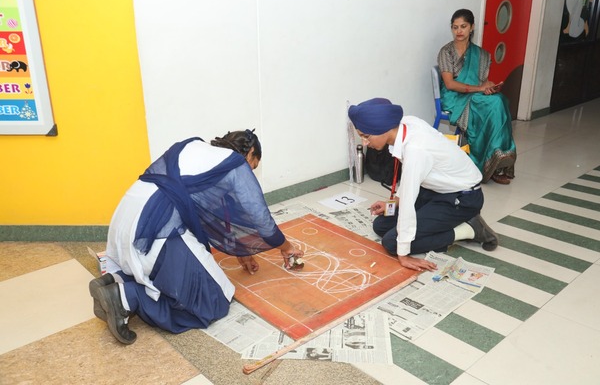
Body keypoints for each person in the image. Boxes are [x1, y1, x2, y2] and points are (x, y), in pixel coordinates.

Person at [89, 129, 303, 344]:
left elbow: (213, 210)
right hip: (156, 229)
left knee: (166, 271)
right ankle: (127, 297)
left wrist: (241, 250)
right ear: (250, 154)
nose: (249, 172)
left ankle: (114, 280)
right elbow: (259, 218)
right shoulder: (236, 163)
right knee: (215, 301)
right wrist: (285, 246)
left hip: (125, 222)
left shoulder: (195, 147)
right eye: (252, 166)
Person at [348, 98, 499, 272]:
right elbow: (410, 181)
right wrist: (394, 202)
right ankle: (446, 222)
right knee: (380, 225)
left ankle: (470, 229)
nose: (365, 143)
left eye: (366, 136)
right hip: (436, 190)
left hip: (463, 199)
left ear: (385, 129)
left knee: (391, 243)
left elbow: (409, 200)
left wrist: (403, 255)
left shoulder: (416, 149)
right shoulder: (405, 124)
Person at [437, 8, 517, 185]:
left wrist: (487, 88)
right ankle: (490, 161)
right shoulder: (446, 52)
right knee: (495, 105)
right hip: (454, 97)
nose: (459, 31)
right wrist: (480, 88)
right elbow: (450, 84)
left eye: (463, 26)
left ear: (472, 27)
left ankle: (497, 160)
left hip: (474, 95)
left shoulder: (480, 54)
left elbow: (482, 82)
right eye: (455, 27)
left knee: (499, 100)